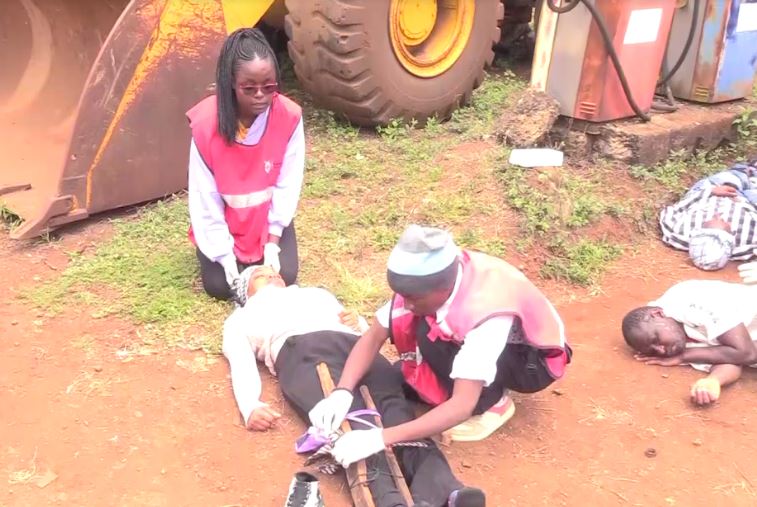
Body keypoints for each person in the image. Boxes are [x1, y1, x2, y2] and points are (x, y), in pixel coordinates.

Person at [222, 265, 486, 507]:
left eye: (274, 272)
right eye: (260, 275)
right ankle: (389, 501)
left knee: (397, 413)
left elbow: (365, 332)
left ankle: (445, 491)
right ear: (245, 291)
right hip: (306, 351)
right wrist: (250, 405)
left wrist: (357, 322)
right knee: (353, 424)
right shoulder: (243, 316)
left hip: (359, 350)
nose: (271, 275)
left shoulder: (316, 294)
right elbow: (240, 359)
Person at [308, 224, 571, 468]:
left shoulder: (485, 310)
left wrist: (380, 438)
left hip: (531, 362)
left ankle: (493, 402)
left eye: (412, 298)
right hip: (496, 342)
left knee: (429, 335)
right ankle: (456, 383)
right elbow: (373, 337)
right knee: (422, 329)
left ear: (442, 288)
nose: (406, 304)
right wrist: (342, 392)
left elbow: (462, 405)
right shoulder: (433, 278)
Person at [187, 27, 304, 301]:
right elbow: (205, 200)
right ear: (231, 83)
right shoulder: (206, 126)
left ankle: (263, 252)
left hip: (265, 220)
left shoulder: (289, 117)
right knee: (218, 285)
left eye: (269, 87)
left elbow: (288, 184)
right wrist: (225, 257)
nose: (261, 95)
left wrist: (273, 242)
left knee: (286, 273)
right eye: (249, 88)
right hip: (225, 222)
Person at [622, 280, 757, 406]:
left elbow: (746, 353)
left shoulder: (690, 301)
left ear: (658, 314)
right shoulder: (677, 340)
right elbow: (730, 359)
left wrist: (684, 356)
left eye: (656, 340)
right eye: (654, 351)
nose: (661, 350)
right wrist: (713, 381)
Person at [659, 160, 757, 271]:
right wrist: (742, 203)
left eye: (711, 220)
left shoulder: (678, 232)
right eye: (727, 227)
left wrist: (710, 192)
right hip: (747, 201)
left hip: (712, 190)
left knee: (731, 177)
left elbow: (672, 210)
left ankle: (744, 170)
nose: (719, 217)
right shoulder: (747, 244)